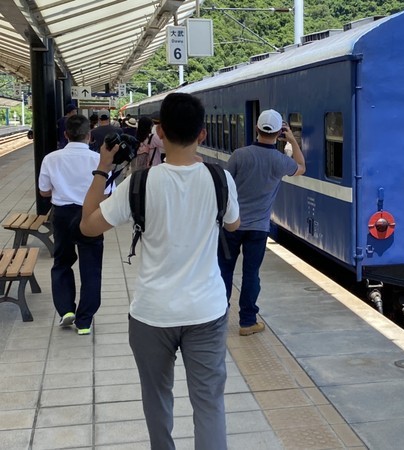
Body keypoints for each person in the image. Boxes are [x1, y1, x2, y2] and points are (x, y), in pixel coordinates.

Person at [80, 93, 240, 449]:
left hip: (152, 314)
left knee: (156, 398)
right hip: (207, 311)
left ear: (161, 132)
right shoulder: (220, 180)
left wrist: (103, 168)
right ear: (202, 134)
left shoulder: (139, 183)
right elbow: (233, 225)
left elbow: (88, 226)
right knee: (209, 403)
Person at [218, 109, 305, 336]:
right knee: (251, 274)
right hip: (258, 228)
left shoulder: (240, 155)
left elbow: (227, 185)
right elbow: (301, 167)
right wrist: (293, 140)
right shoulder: (280, 161)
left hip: (232, 224)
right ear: (279, 132)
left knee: (224, 270)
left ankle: (217, 319)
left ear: (256, 129)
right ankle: (247, 322)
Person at [38, 114, 109, 335]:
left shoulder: (51, 158)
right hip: (91, 214)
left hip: (61, 214)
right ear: (90, 136)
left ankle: (66, 310)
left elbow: (44, 191)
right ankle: (85, 320)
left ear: (66, 134)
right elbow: (108, 193)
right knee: (91, 267)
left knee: (62, 262)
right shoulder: (98, 160)